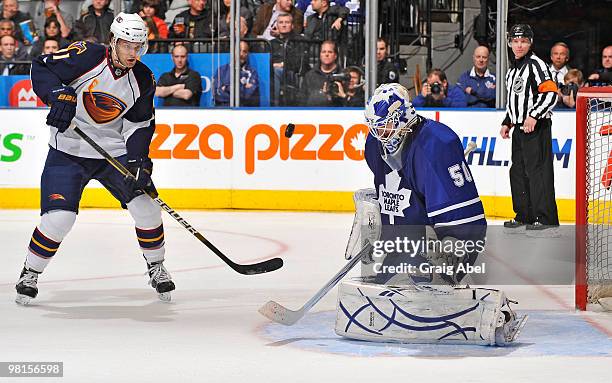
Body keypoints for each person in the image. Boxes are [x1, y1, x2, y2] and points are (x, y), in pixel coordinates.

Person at [15, 13, 175, 305]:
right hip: (69, 150)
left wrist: (139, 160)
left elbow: (140, 124)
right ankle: (31, 271)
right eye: (127, 45)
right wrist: (57, 95)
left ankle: (156, 266)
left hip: (113, 153)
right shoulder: (86, 56)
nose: (133, 53)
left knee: (147, 207)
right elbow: (41, 67)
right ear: (113, 41)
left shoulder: (143, 78)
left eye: (139, 47)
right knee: (59, 218)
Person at [363, 82, 486, 285]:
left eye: (385, 126)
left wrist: (455, 246)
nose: (379, 134)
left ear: (402, 118)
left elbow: (465, 216)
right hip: (404, 244)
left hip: (440, 246)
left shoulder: (436, 143)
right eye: (375, 127)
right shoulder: (373, 144)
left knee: (423, 286)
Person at [500, 24, 559, 234]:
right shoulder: (512, 70)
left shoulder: (536, 65)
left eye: (523, 41)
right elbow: (513, 101)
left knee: (538, 172)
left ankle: (545, 218)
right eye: (515, 41)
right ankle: (524, 215)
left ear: (530, 42)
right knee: (518, 172)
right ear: (509, 43)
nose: (519, 45)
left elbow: (551, 93)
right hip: (519, 129)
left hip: (537, 127)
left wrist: (534, 115)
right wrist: (508, 121)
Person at [270, 12, 307, 105]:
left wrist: (282, 64)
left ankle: (275, 106)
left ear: (292, 25)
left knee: (276, 71)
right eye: (281, 22)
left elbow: (299, 62)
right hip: (272, 72)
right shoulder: (271, 43)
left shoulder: (299, 41)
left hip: (292, 73)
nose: (284, 25)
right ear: (277, 25)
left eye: (287, 22)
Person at [213, 41, 260, 106]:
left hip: (243, 111)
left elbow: (247, 96)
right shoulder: (221, 70)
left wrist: (226, 88)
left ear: (247, 54)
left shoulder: (252, 72)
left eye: (244, 51)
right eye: (239, 50)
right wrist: (243, 88)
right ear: (233, 52)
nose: (241, 54)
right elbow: (217, 94)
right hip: (224, 110)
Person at [301, 40, 343, 106]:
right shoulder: (309, 75)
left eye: (330, 52)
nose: (326, 54)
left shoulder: (342, 75)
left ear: (335, 56)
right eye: (323, 52)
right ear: (320, 55)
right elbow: (302, 100)